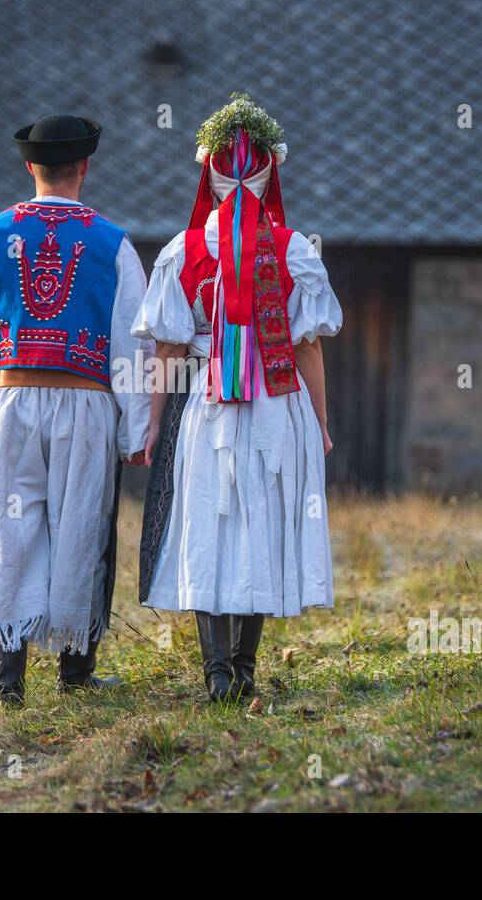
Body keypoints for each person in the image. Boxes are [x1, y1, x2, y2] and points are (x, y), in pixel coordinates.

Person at [134, 94, 342, 701]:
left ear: (210, 173)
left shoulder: (183, 251)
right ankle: (245, 669)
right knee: (265, 523)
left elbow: (168, 352)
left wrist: (152, 426)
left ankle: (217, 671)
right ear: (271, 171)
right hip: (279, 403)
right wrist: (322, 424)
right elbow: (307, 348)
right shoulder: (296, 251)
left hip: (208, 405)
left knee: (209, 521)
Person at [0, 114, 151, 705]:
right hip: (86, 406)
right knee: (80, 529)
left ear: (29, 167)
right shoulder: (114, 243)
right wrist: (136, 430)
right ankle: (75, 673)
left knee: (10, 529)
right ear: (85, 167)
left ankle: (8, 679)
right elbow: (133, 341)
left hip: (8, 402)